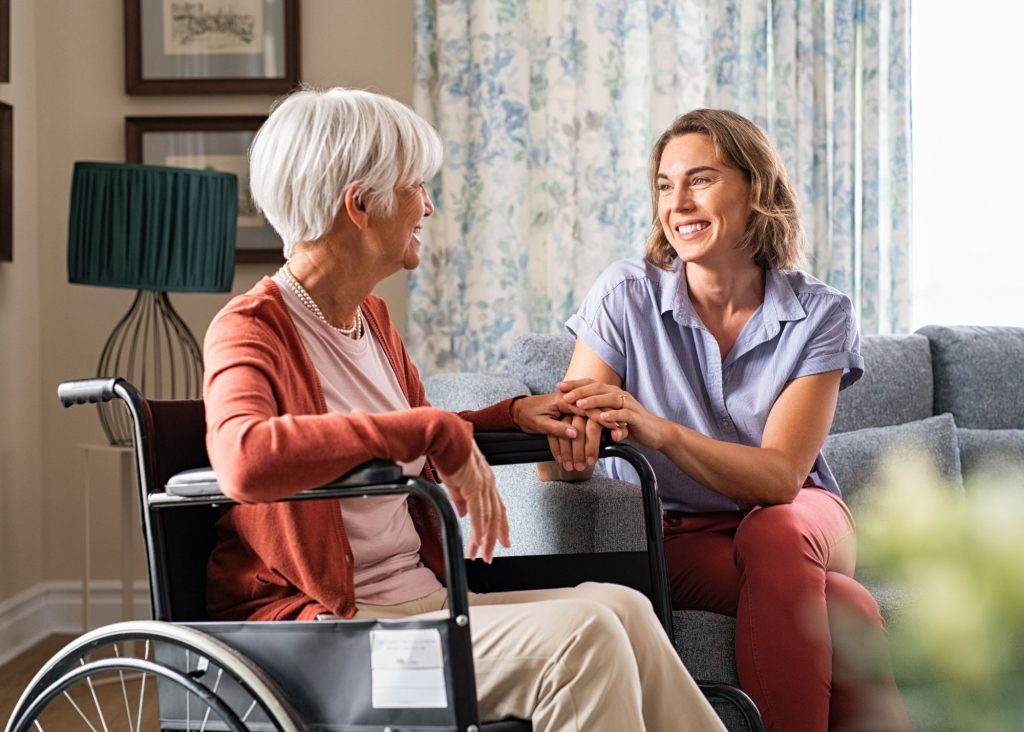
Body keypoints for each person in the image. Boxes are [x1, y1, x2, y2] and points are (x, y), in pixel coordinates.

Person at [202, 86, 724, 732]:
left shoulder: (371, 320)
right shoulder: (250, 329)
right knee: (584, 637)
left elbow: (402, 438)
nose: (429, 205)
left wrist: (511, 415)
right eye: (416, 186)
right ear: (359, 205)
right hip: (334, 647)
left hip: (418, 607)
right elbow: (244, 460)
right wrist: (432, 426)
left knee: (622, 607)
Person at [542, 109, 911, 732]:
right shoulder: (623, 296)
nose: (677, 202)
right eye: (665, 184)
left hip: (803, 519)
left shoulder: (819, 313)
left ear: (757, 189)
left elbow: (779, 480)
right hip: (681, 534)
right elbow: (560, 458)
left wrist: (656, 428)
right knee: (845, 603)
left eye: (701, 180)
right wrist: (570, 445)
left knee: (776, 530)